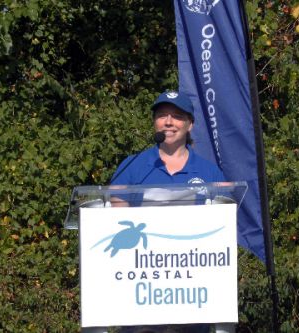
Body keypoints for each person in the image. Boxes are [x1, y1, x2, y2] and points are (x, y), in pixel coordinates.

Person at [111, 91, 226, 333]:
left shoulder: (209, 172)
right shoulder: (133, 166)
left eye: (177, 116)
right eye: (162, 116)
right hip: (142, 288)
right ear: (155, 123)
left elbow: (222, 223)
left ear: (190, 124)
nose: (169, 122)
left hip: (193, 289)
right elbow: (113, 216)